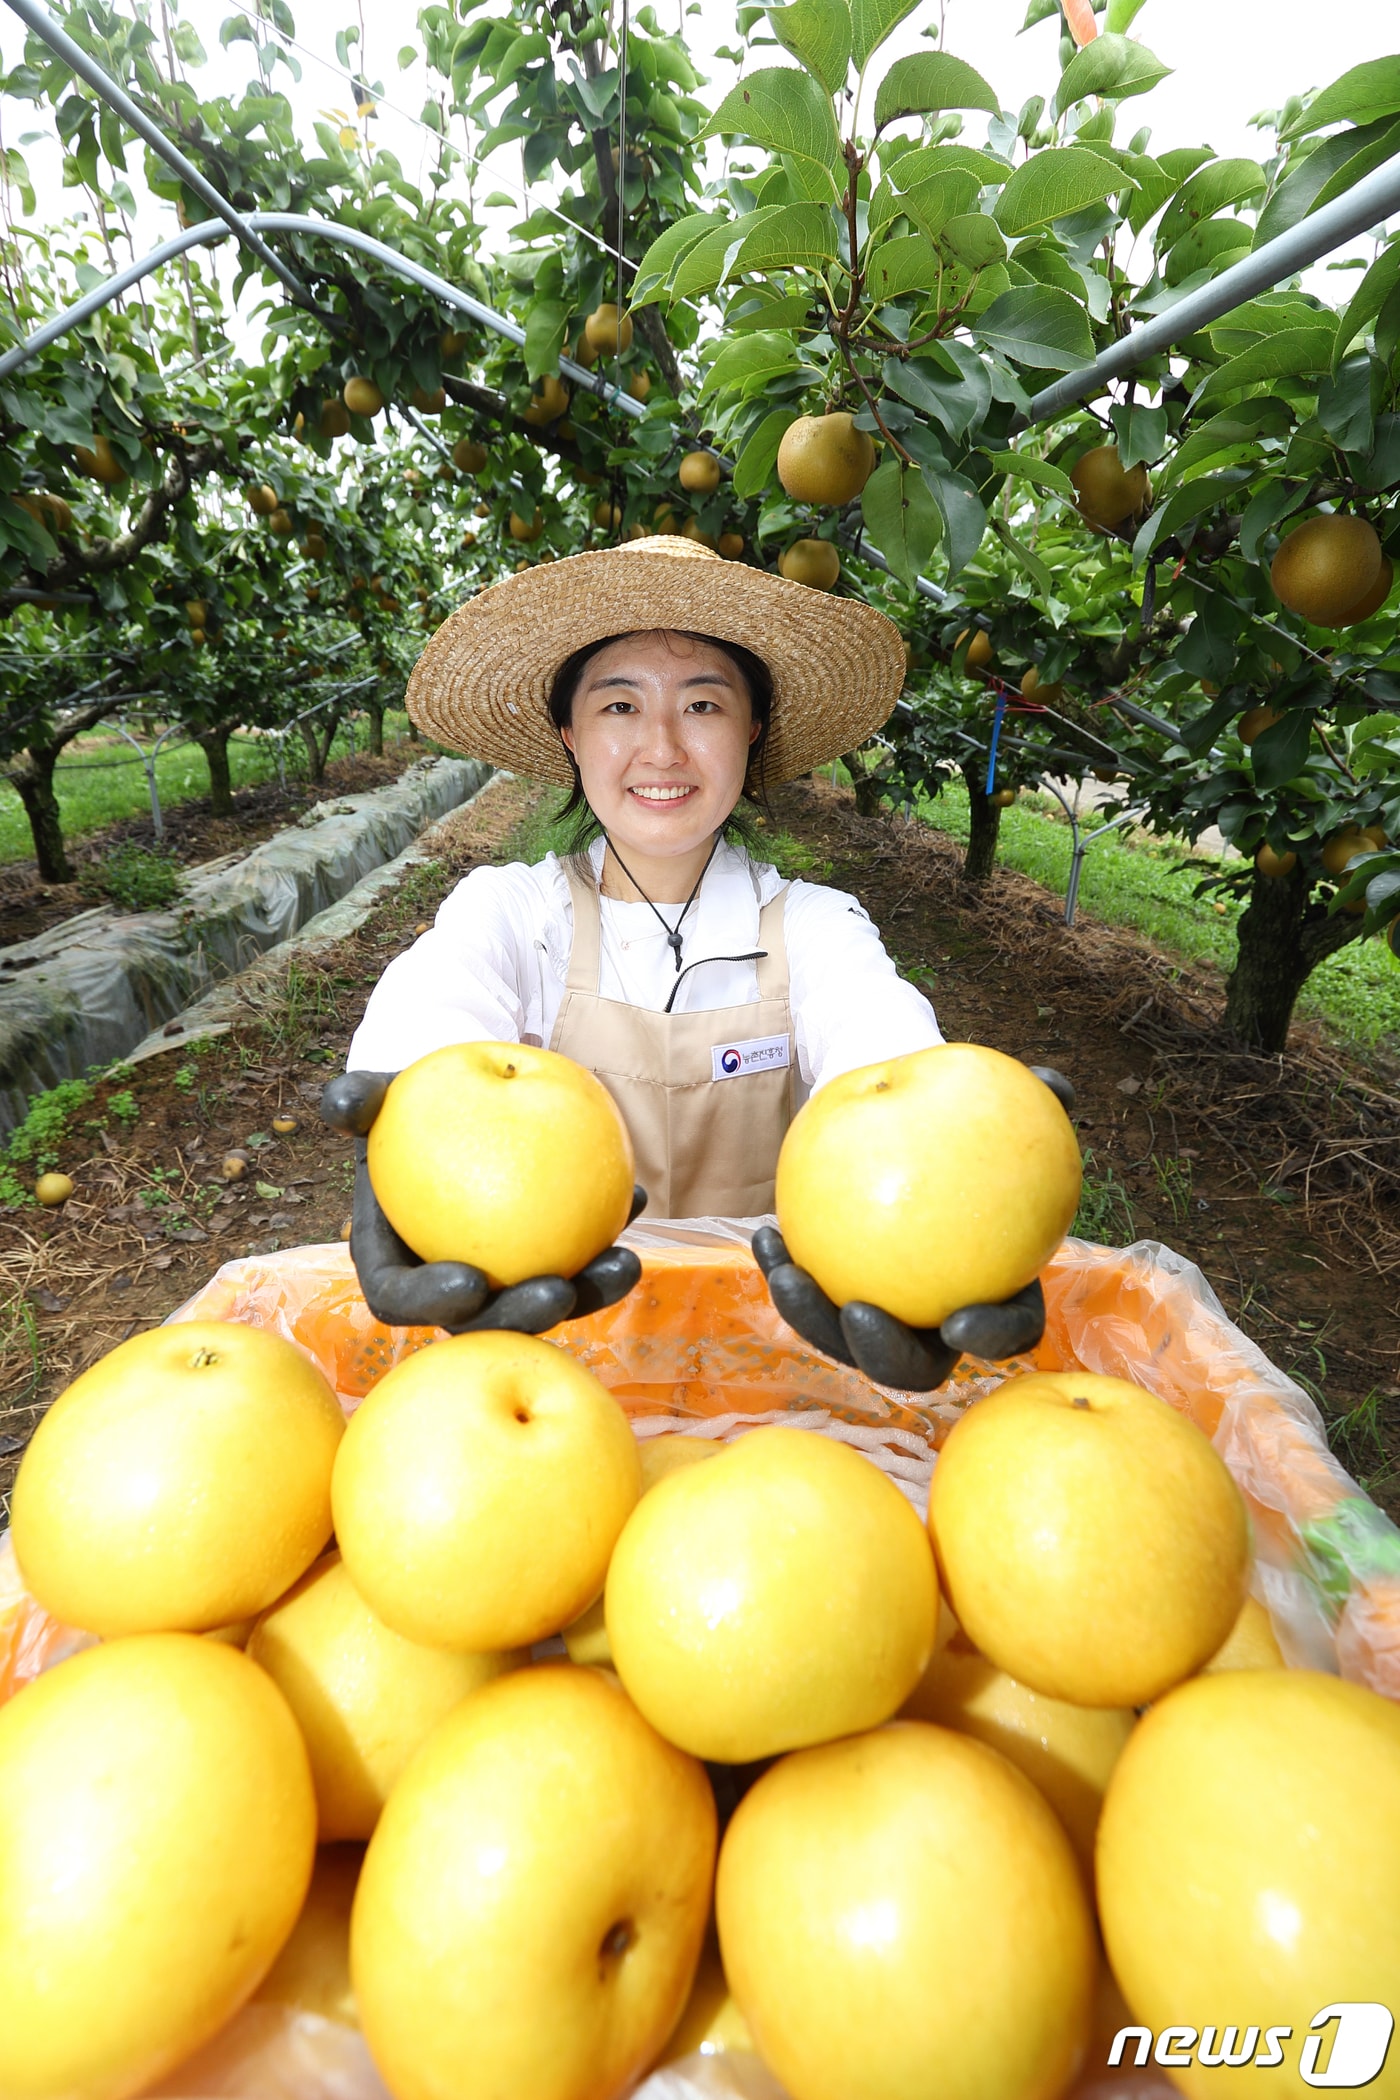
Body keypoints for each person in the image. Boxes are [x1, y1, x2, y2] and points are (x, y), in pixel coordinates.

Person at [322, 535, 1057, 1389]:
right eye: (620, 707)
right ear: (570, 734)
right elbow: (436, 1017)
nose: (663, 749)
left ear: (753, 730)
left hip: (771, 1365)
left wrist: (960, 1165)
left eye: (703, 707)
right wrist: (414, 1142)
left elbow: (885, 1056)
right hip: (551, 1369)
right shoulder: (515, 915)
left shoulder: (814, 929)